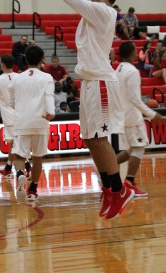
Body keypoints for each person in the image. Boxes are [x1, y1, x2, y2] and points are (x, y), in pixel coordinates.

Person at [63, 0, 135, 220]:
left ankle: (119, 190)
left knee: (100, 138)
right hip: (89, 81)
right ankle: (108, 189)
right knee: (91, 139)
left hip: (100, 81)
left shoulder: (103, 11)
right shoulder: (95, 13)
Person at [116, 41, 163, 196]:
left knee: (131, 148)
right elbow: (135, 99)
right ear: (131, 53)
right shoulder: (132, 71)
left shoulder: (118, 69)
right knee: (139, 147)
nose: (138, 52)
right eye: (136, 50)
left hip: (122, 114)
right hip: (132, 115)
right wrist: (152, 114)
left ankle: (107, 169)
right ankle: (129, 184)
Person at [9, 45, 55, 201]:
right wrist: (51, 112)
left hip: (22, 120)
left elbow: (12, 102)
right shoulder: (47, 77)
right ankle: (33, 190)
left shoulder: (17, 78)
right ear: (42, 58)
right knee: (38, 157)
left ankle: (21, 174)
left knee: (20, 155)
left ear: (25, 59)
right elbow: (49, 96)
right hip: (41, 120)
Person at [0, 54, 20, 177]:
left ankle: (24, 169)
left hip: (9, 116)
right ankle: (8, 168)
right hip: (22, 113)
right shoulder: (20, 77)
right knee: (15, 144)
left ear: (2, 64)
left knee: (16, 144)